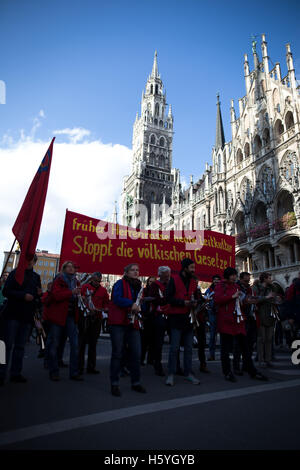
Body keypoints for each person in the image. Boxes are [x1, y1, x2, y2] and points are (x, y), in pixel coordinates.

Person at [214, 267, 267, 382]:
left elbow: (243, 301)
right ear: (228, 275)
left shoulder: (236, 286)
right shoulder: (220, 286)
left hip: (238, 321)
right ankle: (227, 372)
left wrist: (250, 301)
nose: (234, 277)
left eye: (235, 275)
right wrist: (232, 296)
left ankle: (251, 370)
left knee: (245, 347)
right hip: (226, 321)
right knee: (226, 349)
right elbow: (217, 299)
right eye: (233, 275)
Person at [0, 255, 41, 385]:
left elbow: (37, 297)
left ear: (34, 262)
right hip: (12, 314)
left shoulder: (36, 277)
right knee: (6, 345)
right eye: (27, 259)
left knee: (20, 346)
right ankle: (1, 373)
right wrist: (23, 295)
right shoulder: (15, 273)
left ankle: (15, 373)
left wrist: (38, 296)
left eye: (32, 260)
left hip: (27, 316)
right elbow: (6, 291)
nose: (29, 262)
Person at [108, 263, 146, 397]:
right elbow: (117, 298)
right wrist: (131, 304)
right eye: (133, 270)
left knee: (136, 353)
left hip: (132, 323)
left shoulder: (139, 286)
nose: (136, 272)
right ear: (126, 272)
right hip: (118, 322)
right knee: (118, 353)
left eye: (137, 270)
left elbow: (140, 303)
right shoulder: (119, 283)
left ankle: (136, 382)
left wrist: (142, 306)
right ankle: (114, 384)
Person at [165, 258, 200, 386]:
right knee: (174, 348)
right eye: (191, 267)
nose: (193, 270)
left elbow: (197, 297)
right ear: (185, 268)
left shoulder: (194, 281)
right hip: (176, 319)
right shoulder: (174, 280)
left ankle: (188, 373)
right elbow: (167, 298)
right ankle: (170, 374)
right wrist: (182, 303)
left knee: (189, 349)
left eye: (194, 268)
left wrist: (196, 302)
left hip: (189, 319)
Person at [45, 261, 82, 382]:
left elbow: (76, 298)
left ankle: (74, 372)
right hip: (58, 315)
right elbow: (56, 295)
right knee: (55, 344)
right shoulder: (59, 280)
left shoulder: (76, 282)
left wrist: (80, 296)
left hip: (71, 316)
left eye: (73, 267)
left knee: (75, 344)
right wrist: (71, 292)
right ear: (64, 268)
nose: (72, 269)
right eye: (69, 267)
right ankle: (54, 371)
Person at [78, 272, 109, 374]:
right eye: (95, 280)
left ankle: (91, 367)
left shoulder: (103, 290)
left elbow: (106, 303)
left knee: (93, 344)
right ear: (92, 279)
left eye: (99, 281)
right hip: (85, 317)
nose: (97, 282)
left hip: (97, 318)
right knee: (82, 343)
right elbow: (80, 300)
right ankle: (80, 366)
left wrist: (104, 308)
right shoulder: (85, 287)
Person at [233, 272, 258, 375]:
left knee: (249, 343)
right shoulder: (237, 287)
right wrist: (247, 302)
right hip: (241, 318)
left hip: (250, 317)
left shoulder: (250, 289)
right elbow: (237, 302)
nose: (248, 279)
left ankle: (246, 365)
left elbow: (253, 299)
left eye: (249, 277)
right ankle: (236, 366)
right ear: (241, 278)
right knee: (239, 344)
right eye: (246, 278)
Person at [148, 266, 171, 376]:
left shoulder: (171, 284)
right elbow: (154, 299)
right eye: (166, 275)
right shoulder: (154, 285)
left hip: (171, 314)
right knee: (158, 342)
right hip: (159, 316)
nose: (168, 277)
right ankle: (158, 365)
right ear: (160, 275)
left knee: (174, 342)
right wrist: (166, 300)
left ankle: (175, 365)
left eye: (169, 274)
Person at [252, 273, 277, 368]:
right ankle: (261, 360)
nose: (271, 279)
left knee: (269, 339)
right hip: (261, 315)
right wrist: (266, 297)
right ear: (264, 279)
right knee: (261, 339)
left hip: (270, 316)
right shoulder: (256, 288)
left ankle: (268, 360)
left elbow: (274, 298)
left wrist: (275, 299)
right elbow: (254, 300)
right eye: (269, 278)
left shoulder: (272, 288)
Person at [204, 275, 221, 361]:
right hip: (212, 315)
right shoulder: (209, 290)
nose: (216, 281)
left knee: (223, 336)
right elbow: (205, 301)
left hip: (221, 314)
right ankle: (212, 355)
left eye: (218, 280)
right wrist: (209, 308)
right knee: (212, 335)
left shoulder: (223, 289)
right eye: (215, 280)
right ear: (213, 281)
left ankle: (223, 354)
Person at [140, 276, 156, 366]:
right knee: (144, 341)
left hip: (154, 317)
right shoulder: (144, 291)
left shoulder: (157, 291)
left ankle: (150, 359)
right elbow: (141, 302)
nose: (152, 283)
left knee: (153, 340)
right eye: (150, 282)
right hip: (145, 317)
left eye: (153, 282)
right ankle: (141, 359)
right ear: (148, 282)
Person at [194, 284, 210, 373]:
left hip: (200, 320)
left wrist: (204, 301)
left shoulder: (198, 291)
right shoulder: (189, 290)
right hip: (191, 319)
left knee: (202, 343)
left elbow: (202, 302)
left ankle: (203, 364)